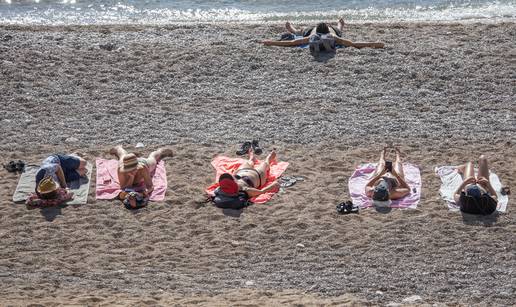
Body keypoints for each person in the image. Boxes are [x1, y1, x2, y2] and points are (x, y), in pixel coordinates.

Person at [262, 18, 384, 49]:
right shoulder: (332, 34)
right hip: (330, 31)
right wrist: (375, 43)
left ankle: (292, 29)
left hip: (315, 31)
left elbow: (293, 42)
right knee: (339, 32)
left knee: (299, 32)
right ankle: (340, 24)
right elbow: (353, 44)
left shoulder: (313, 34)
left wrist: (271, 42)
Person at [109, 146, 174, 195]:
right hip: (126, 163)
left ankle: (160, 151)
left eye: (132, 169)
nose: (130, 171)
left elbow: (150, 186)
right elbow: (123, 187)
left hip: (142, 162)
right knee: (123, 156)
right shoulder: (121, 170)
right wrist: (131, 177)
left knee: (153, 158)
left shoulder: (142, 168)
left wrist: (145, 193)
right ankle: (118, 148)